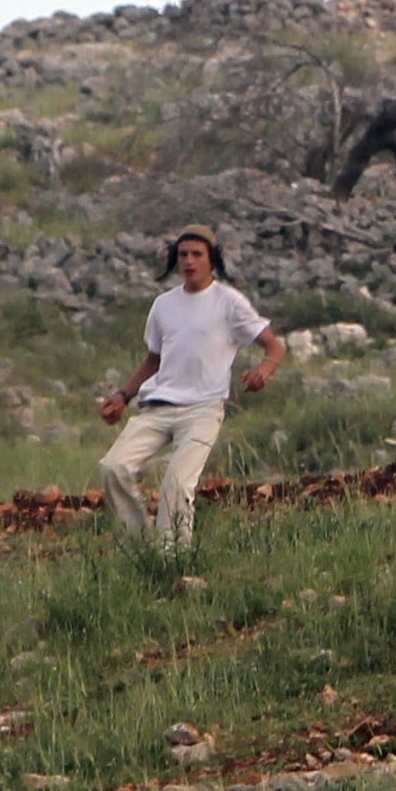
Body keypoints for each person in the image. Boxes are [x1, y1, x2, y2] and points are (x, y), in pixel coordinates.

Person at [97, 223, 283, 555]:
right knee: (113, 467)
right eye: (183, 254)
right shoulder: (163, 305)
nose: (189, 261)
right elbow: (153, 360)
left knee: (178, 483)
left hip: (203, 408)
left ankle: (173, 559)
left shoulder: (228, 302)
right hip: (158, 406)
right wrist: (123, 396)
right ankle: (140, 549)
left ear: (211, 259)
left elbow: (274, 347)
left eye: (197, 254)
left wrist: (263, 371)